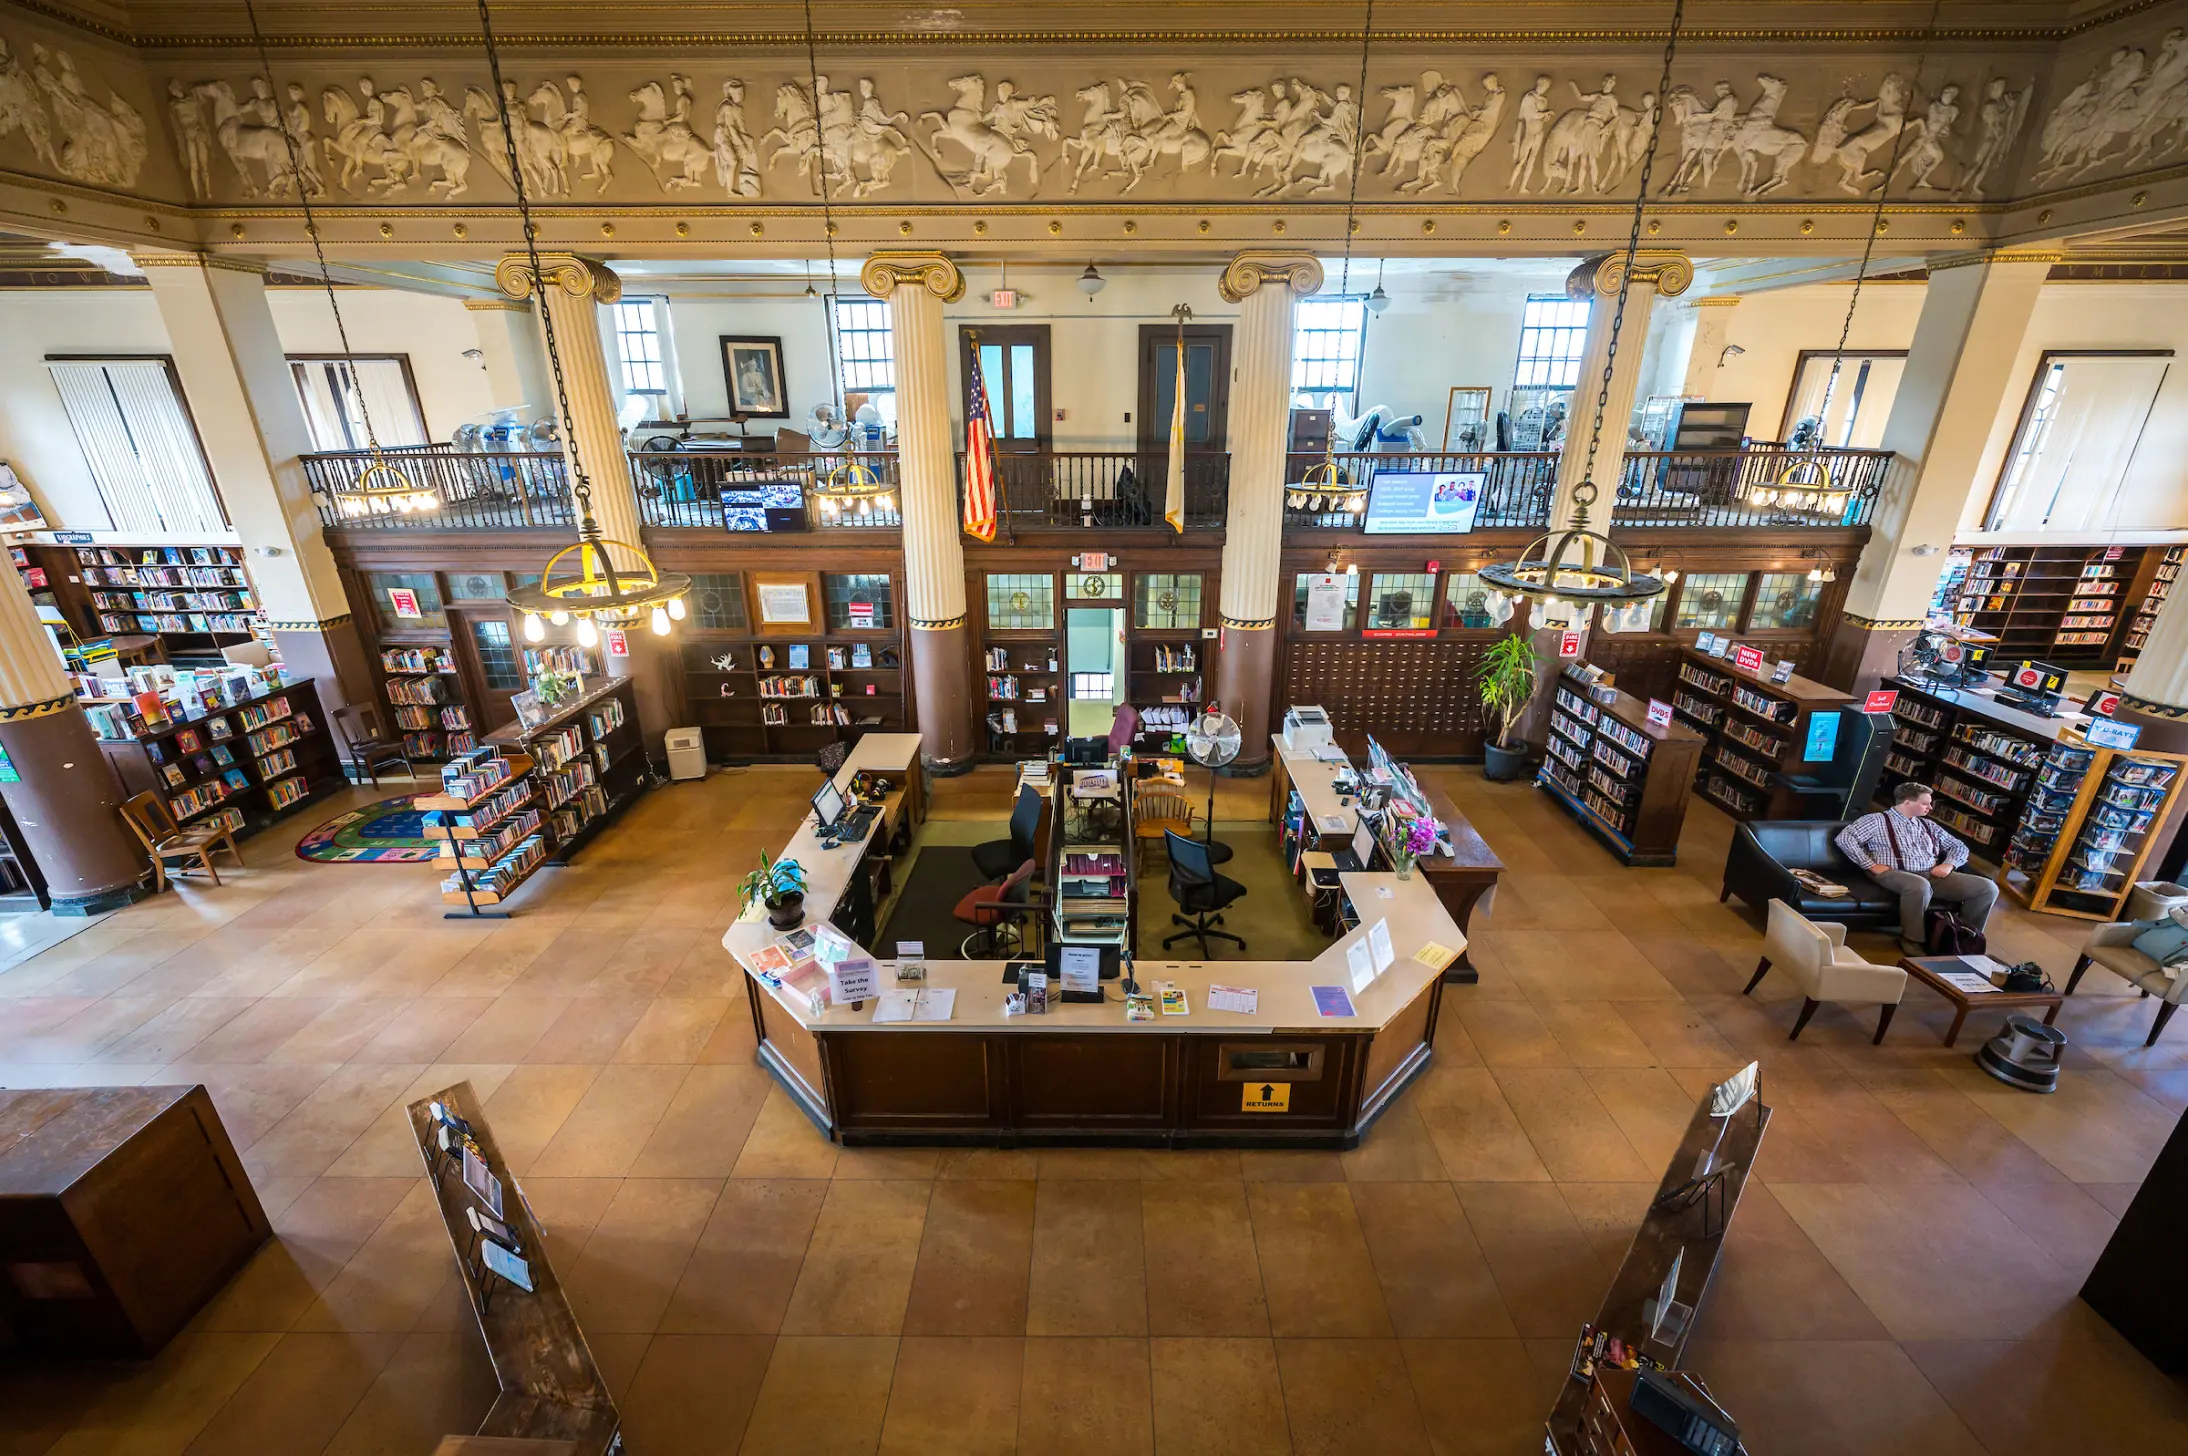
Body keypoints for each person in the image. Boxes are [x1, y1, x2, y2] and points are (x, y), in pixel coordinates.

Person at [1835, 782, 1999, 953]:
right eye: (1925, 803)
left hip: (1931, 874)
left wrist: (1948, 864)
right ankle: (1911, 939)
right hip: (1893, 873)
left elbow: (1959, 846)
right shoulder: (1875, 820)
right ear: (1907, 802)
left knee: (1987, 888)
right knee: (1919, 885)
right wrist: (1870, 865)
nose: (1930, 807)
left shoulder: (1928, 825)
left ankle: (1964, 938)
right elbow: (1845, 839)